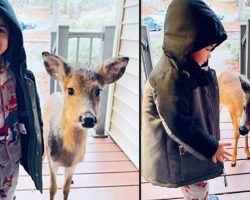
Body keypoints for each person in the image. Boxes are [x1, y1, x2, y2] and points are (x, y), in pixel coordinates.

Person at [141, 0, 232, 200]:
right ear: (188, 42)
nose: (210, 54)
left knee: (197, 182)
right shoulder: (168, 78)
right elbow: (178, 122)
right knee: (195, 187)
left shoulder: (183, 65)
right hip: (182, 153)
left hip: (190, 150)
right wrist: (211, 146)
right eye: (208, 48)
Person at [0, 1, 44, 199]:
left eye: (0, 30)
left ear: (12, 36)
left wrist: (39, 142)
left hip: (10, 154)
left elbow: (35, 113)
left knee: (7, 192)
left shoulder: (21, 76)